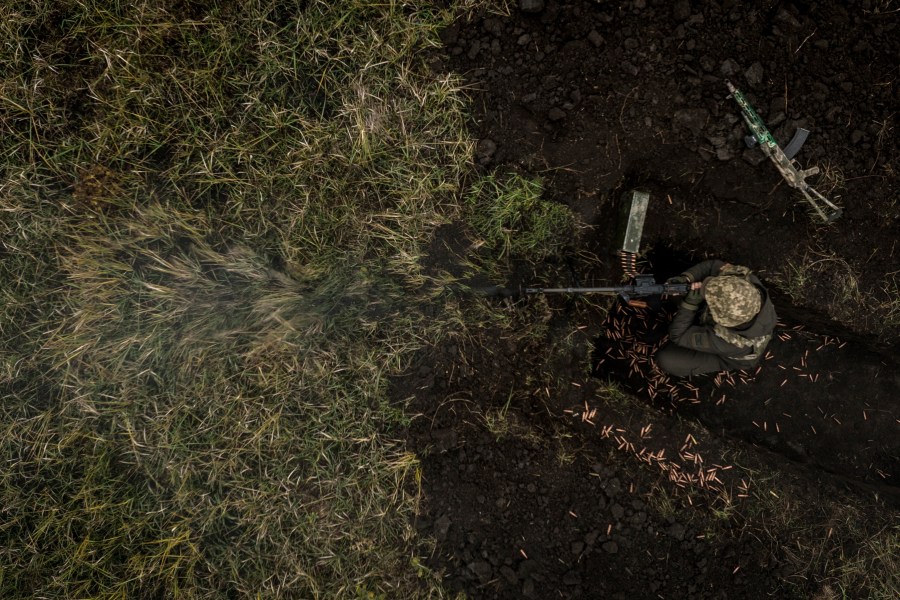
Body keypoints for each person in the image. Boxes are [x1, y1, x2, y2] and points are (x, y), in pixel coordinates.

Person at [654, 260, 777, 377]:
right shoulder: (744, 285)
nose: (705, 284)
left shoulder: (728, 343)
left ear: (722, 319)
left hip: (725, 355)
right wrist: (687, 278)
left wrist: (689, 305)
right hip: (731, 325)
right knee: (680, 291)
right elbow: (712, 266)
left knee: (667, 360)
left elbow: (678, 335)